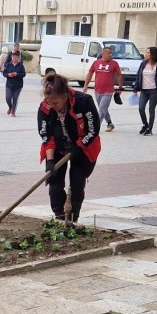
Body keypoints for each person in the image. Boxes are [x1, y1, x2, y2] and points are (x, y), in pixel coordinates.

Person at [38, 74, 101, 223]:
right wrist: (51, 161)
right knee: (55, 182)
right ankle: (59, 216)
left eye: (56, 103)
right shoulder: (45, 107)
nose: (52, 106)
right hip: (57, 148)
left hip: (83, 147)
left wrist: (77, 148)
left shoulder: (83, 101)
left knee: (77, 182)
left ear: (65, 96)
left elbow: (93, 130)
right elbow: (47, 136)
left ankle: (73, 217)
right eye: (49, 102)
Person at [82, 46, 122, 132]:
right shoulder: (96, 63)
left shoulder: (114, 63)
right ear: (103, 53)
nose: (110, 55)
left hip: (108, 91)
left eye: (111, 53)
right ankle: (110, 123)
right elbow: (90, 73)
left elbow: (119, 75)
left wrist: (120, 87)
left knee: (101, 110)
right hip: (97, 90)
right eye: (108, 53)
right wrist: (85, 85)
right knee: (102, 108)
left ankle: (96, 128)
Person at [132, 47, 157, 136]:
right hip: (144, 90)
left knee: (151, 109)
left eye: (147, 53)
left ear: (152, 55)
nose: (145, 54)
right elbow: (138, 76)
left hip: (154, 91)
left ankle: (149, 128)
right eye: (146, 52)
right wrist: (135, 89)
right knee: (141, 108)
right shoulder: (143, 64)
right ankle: (145, 125)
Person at [2, 51, 26, 117]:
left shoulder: (21, 66)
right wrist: (8, 75)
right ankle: (10, 106)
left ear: (18, 58)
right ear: (11, 57)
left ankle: (13, 111)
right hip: (9, 84)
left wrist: (17, 74)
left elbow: (23, 74)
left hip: (18, 85)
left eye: (16, 57)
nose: (14, 58)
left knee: (15, 98)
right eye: (13, 57)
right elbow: (4, 73)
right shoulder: (8, 65)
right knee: (8, 98)